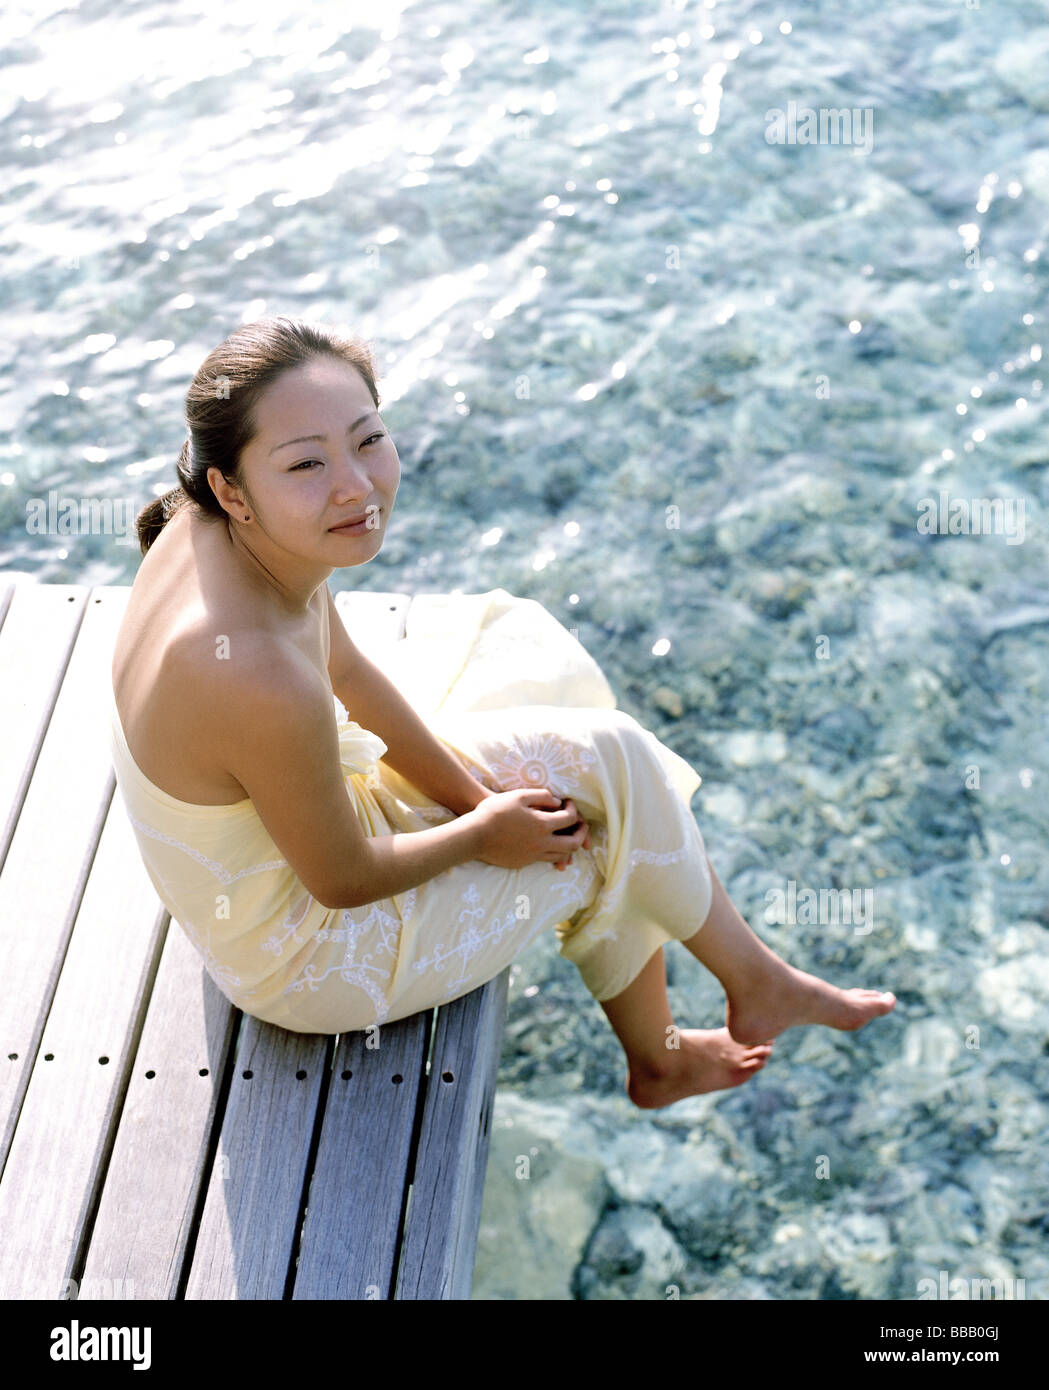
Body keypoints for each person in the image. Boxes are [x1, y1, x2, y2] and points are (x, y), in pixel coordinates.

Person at [110, 314, 895, 1112]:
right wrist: (486, 836)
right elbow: (341, 879)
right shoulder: (256, 671)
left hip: (301, 833)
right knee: (591, 844)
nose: (355, 485)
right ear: (231, 490)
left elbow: (346, 667)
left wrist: (476, 801)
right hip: (297, 953)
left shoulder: (206, 528)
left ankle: (754, 980)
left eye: (368, 440)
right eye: (306, 464)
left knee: (611, 761)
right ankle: (661, 1059)